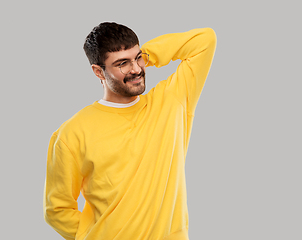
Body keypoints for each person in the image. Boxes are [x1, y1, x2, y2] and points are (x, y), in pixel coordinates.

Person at [44, 22, 216, 240]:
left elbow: (205, 40)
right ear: (98, 71)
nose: (136, 69)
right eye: (122, 63)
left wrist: (149, 55)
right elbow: (57, 210)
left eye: (138, 57)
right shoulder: (72, 133)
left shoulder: (171, 102)